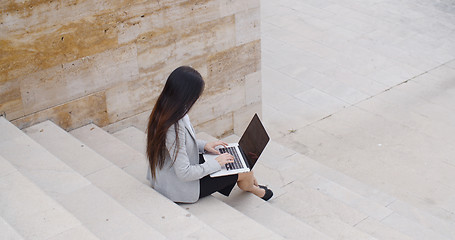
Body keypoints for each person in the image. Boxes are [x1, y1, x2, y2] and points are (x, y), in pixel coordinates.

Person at [146, 66, 273, 203]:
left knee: (237, 162)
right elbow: (184, 173)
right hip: (179, 186)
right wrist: (216, 164)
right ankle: (254, 189)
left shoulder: (166, 108)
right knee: (243, 169)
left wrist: (205, 146)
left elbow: (180, 145)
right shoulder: (173, 127)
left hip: (170, 172)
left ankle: (249, 181)